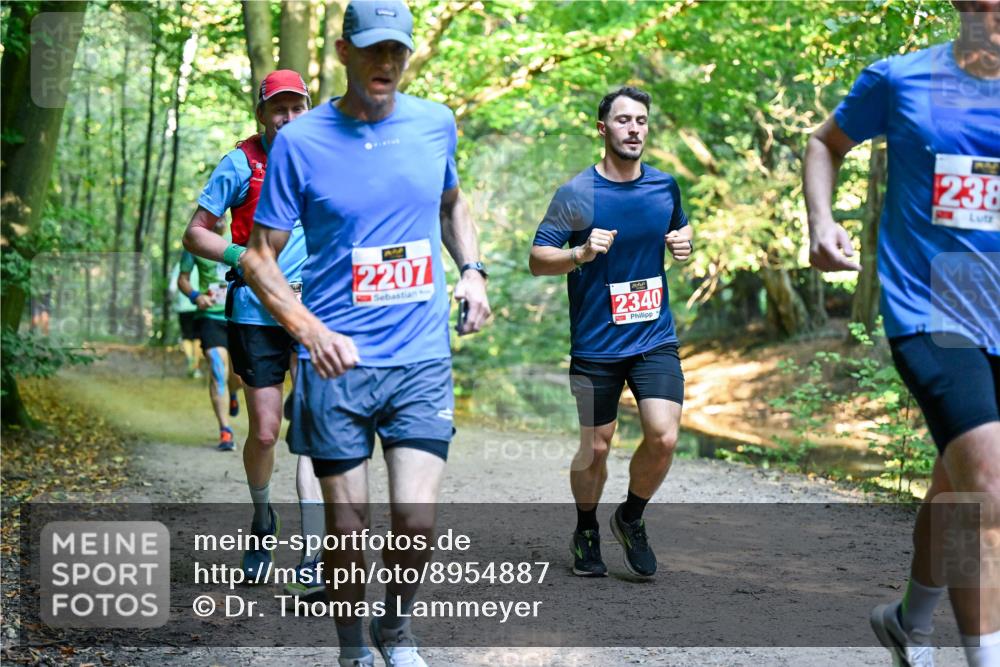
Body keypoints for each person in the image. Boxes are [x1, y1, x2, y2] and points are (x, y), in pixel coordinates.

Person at [240, 2, 490, 665]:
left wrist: (473, 271)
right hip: (335, 365)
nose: (387, 63)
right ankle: (352, 646)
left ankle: (396, 626)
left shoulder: (436, 124)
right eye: (374, 50)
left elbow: (451, 202)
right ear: (345, 52)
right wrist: (307, 328)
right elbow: (259, 256)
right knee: (347, 529)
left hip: (419, 357)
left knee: (415, 519)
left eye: (397, 52)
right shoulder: (301, 141)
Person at [804, 2, 999, 665]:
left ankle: (909, 620)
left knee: (959, 480)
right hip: (931, 306)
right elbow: (825, 141)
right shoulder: (900, 78)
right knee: (989, 487)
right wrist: (821, 222)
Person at [529, 86, 693, 580]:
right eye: (623, 120)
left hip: (653, 337)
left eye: (641, 120)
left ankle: (631, 517)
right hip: (597, 345)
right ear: (603, 129)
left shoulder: (665, 188)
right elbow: (538, 260)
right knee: (596, 448)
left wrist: (685, 245)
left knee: (663, 437)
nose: (634, 128)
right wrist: (578, 254)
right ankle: (585, 529)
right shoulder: (578, 194)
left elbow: (678, 235)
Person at [181, 69, 326, 595]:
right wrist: (243, 258)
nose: (289, 118)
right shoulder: (241, 162)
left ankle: (313, 551)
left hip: (314, 313)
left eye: (298, 107)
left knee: (310, 427)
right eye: (278, 109)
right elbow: (195, 232)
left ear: (309, 109)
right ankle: (264, 520)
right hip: (254, 313)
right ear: (261, 114)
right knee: (265, 431)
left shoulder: (325, 158)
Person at [177, 243, 242, 450]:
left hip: (239, 315)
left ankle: (233, 393)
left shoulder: (236, 236)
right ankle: (225, 431)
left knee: (238, 377)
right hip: (209, 317)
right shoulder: (195, 240)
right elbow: (183, 279)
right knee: (217, 367)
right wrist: (196, 296)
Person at [169, 258, 203, 378]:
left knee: (186, 335)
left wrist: (172, 300)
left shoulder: (179, 265)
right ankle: (196, 366)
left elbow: (172, 288)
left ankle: (190, 361)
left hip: (183, 307)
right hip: (199, 305)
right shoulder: (201, 263)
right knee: (197, 336)